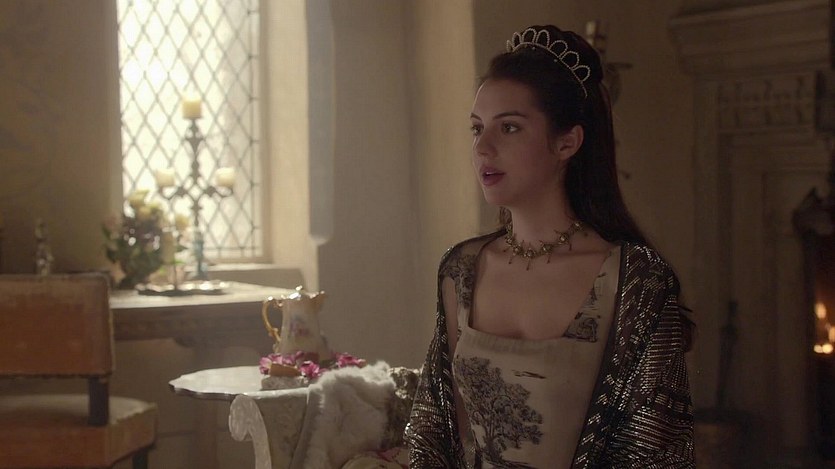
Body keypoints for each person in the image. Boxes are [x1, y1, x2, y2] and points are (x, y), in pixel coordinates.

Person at [405, 25, 694, 468]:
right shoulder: (461, 269)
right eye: (477, 128)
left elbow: (656, 454)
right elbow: (434, 432)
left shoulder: (635, 281)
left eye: (510, 127)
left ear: (567, 142)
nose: (483, 147)